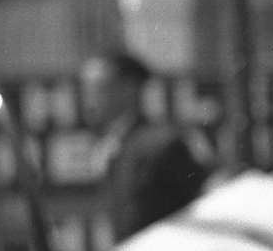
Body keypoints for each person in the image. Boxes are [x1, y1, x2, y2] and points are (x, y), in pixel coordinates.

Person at [78, 49, 212, 240]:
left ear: (129, 88)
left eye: (99, 89)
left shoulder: (161, 145)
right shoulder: (113, 144)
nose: (89, 101)